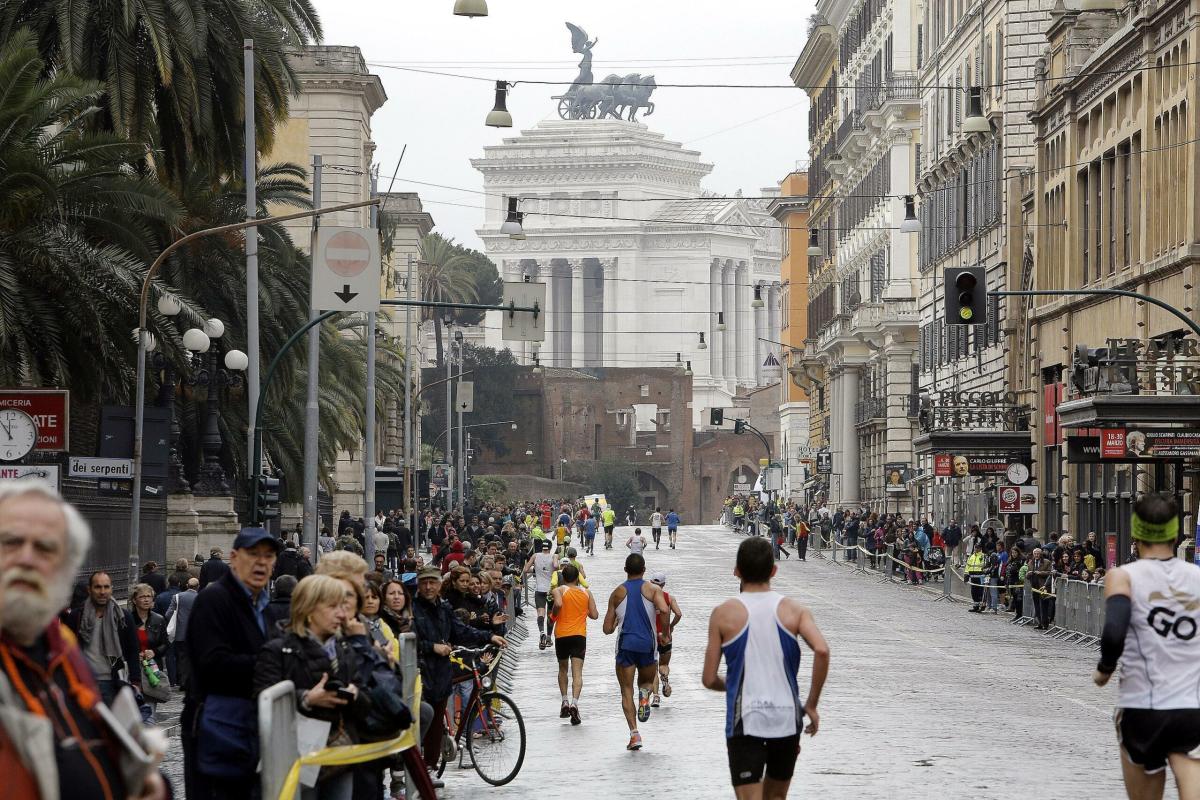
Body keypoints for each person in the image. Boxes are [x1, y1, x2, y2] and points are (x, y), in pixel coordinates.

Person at [0, 480, 169, 800]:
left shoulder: (61, 648)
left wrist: (152, 786)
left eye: (45, 548)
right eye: (10, 541)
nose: (27, 559)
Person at [702, 536, 830, 800]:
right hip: (786, 719)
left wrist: (735, 683)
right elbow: (822, 650)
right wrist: (812, 704)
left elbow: (708, 678)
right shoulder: (795, 610)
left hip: (746, 720)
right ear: (774, 570)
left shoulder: (723, 614)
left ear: (736, 571)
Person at [1093, 493, 1200, 800]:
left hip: (1142, 706)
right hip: (1191, 707)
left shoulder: (1123, 577)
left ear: (1136, 532)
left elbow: (1114, 632)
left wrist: (1104, 671)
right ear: (1176, 531)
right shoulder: (1197, 577)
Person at [183, 527, 281, 800]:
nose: (261, 562)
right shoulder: (214, 599)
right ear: (235, 558)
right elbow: (212, 664)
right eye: (254, 554)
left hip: (254, 731)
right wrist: (273, 664)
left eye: (269, 556)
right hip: (218, 732)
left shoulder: (265, 607)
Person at [255, 574, 368, 800]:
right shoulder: (278, 649)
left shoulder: (344, 647)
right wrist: (306, 698)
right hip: (296, 755)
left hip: (340, 751)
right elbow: (262, 698)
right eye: (332, 607)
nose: (342, 614)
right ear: (308, 608)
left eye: (343, 606)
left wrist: (356, 695)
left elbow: (365, 695)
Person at [411, 566, 507, 767]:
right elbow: (408, 640)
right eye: (424, 583)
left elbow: (461, 631)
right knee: (426, 720)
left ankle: (431, 766)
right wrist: (432, 647)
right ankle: (419, 765)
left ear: (439, 584)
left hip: (441, 672)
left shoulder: (444, 607)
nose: (429, 587)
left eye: (432, 582)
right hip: (420, 672)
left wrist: (489, 635)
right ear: (419, 585)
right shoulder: (413, 609)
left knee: (437, 720)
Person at [602, 553, 670, 751]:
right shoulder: (653, 589)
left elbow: (606, 629)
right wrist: (665, 634)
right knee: (647, 682)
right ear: (644, 570)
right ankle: (644, 696)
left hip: (625, 645)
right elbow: (665, 610)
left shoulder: (617, 592)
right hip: (647, 644)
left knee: (626, 690)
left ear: (625, 570)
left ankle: (634, 734)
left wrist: (615, 623)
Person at [64, 570, 143, 705]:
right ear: (90, 590)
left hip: (114, 685)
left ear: (111, 589)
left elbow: (132, 651)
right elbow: (67, 652)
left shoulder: (123, 617)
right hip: (84, 684)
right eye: (98, 587)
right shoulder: (76, 617)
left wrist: (136, 682)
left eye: (106, 587)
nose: (102, 591)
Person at [551, 564, 597, 725]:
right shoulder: (586, 592)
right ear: (578, 577)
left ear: (563, 577)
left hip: (562, 634)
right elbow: (595, 615)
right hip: (579, 635)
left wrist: (553, 617)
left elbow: (557, 604)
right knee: (577, 672)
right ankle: (575, 703)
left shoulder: (559, 590)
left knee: (562, 669)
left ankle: (564, 700)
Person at [648, 571, 681, 708]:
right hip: (666, 636)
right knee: (663, 665)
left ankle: (656, 697)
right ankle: (665, 679)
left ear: (650, 583)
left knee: (652, 668)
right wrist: (671, 626)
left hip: (650, 637)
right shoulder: (669, 598)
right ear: (664, 584)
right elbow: (679, 614)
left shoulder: (647, 598)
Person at [166, 576, 200, 690]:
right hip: (195, 634)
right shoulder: (200, 597)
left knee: (182, 658)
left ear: (187, 586)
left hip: (180, 633)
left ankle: (182, 681)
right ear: (198, 586)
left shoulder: (177, 597)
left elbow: (168, 614)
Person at [523, 539, 555, 650]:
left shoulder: (535, 556)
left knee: (541, 613)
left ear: (542, 547)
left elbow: (526, 570)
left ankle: (542, 632)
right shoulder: (554, 556)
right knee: (551, 614)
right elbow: (556, 566)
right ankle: (549, 637)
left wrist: (536, 570)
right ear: (550, 548)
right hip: (551, 590)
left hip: (539, 589)